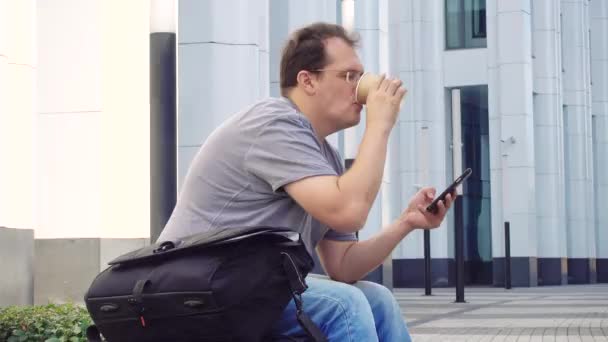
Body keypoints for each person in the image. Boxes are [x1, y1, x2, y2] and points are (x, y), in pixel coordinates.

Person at [158, 22, 454, 342]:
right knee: (344, 305)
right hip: (198, 291)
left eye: (360, 76)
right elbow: (348, 211)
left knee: (376, 299)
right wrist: (380, 124)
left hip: (248, 288)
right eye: (348, 76)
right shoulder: (274, 122)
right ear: (307, 80)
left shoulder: (326, 157)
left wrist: (405, 223)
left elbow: (342, 266)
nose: (360, 89)